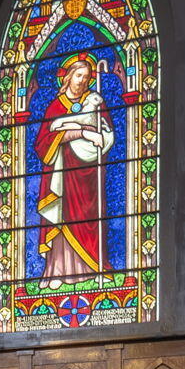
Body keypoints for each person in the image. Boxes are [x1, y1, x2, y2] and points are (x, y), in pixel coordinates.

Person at [31, 52, 109, 279]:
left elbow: (106, 133)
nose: (82, 81)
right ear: (68, 77)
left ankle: (91, 271)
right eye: (78, 75)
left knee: (88, 220)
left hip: (89, 175)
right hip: (61, 175)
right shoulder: (56, 106)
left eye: (86, 77)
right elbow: (43, 143)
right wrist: (82, 132)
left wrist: (98, 135)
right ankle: (57, 272)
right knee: (61, 218)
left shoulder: (96, 102)